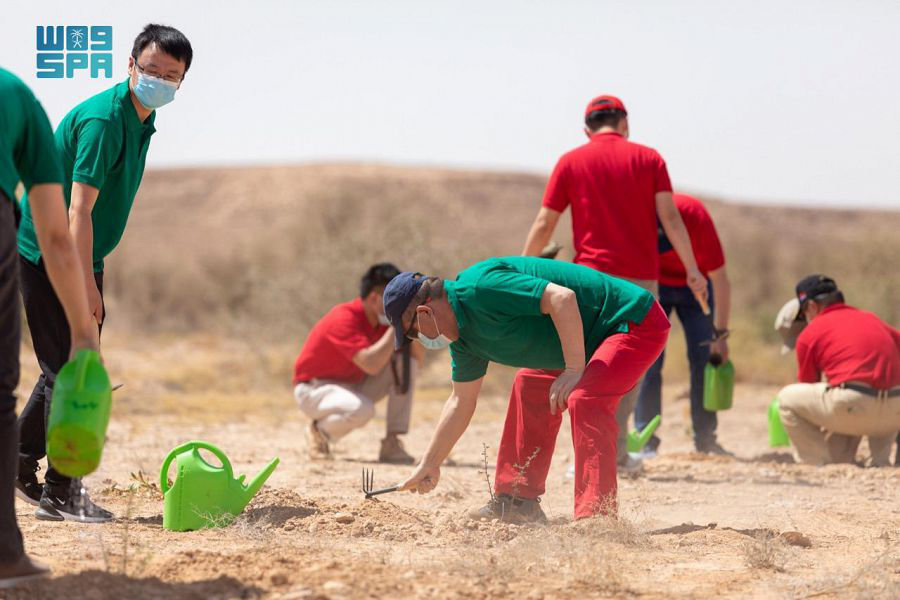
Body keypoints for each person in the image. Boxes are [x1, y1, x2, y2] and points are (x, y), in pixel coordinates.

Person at [15, 24, 193, 523]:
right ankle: (60, 495)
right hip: (49, 251)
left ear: (182, 82)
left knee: (66, 366)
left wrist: (92, 270)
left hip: (78, 254)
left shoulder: (140, 119)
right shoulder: (104, 120)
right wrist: (85, 283)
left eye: (170, 75)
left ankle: (20, 462)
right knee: (75, 372)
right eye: (151, 69)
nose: (158, 80)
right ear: (130, 66)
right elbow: (77, 211)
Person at [385, 257, 670, 522]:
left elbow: (562, 298)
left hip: (630, 321)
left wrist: (573, 370)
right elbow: (461, 401)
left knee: (586, 397)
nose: (417, 339)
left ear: (423, 311)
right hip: (582, 339)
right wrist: (429, 463)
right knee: (529, 383)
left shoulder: (479, 287)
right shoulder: (464, 340)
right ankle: (518, 502)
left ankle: (597, 517)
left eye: (411, 332)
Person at [522, 95, 707, 470]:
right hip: (638, 284)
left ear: (587, 129)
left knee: (581, 361)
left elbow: (545, 223)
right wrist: (692, 270)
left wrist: (520, 270)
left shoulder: (570, 160)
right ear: (624, 124)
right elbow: (671, 218)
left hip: (587, 280)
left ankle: (586, 455)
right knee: (623, 366)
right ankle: (613, 455)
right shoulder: (649, 158)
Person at [0, 67, 99, 587]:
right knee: (18, 384)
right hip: (18, 236)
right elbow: (59, 230)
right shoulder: (17, 95)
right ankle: (11, 542)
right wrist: (84, 326)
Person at [293, 263, 423, 463]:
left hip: (352, 385)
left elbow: (416, 360)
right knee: (362, 410)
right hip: (314, 390)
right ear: (374, 298)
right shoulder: (344, 317)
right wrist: (397, 324)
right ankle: (319, 432)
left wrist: (412, 324)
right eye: (393, 299)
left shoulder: (380, 322)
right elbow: (371, 364)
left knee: (406, 364)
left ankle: (392, 441)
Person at [635, 193, 732, 455]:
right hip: (654, 284)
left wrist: (720, 335)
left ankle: (706, 440)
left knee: (704, 358)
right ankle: (645, 441)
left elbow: (721, 279)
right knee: (648, 362)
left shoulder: (695, 216)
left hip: (697, 285)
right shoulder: (637, 212)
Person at [774, 275, 900, 466]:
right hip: (894, 413)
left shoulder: (810, 332)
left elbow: (809, 386)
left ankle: (814, 461)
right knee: (863, 395)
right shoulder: (873, 320)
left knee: (786, 398)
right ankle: (880, 461)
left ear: (811, 307)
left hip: (854, 405)